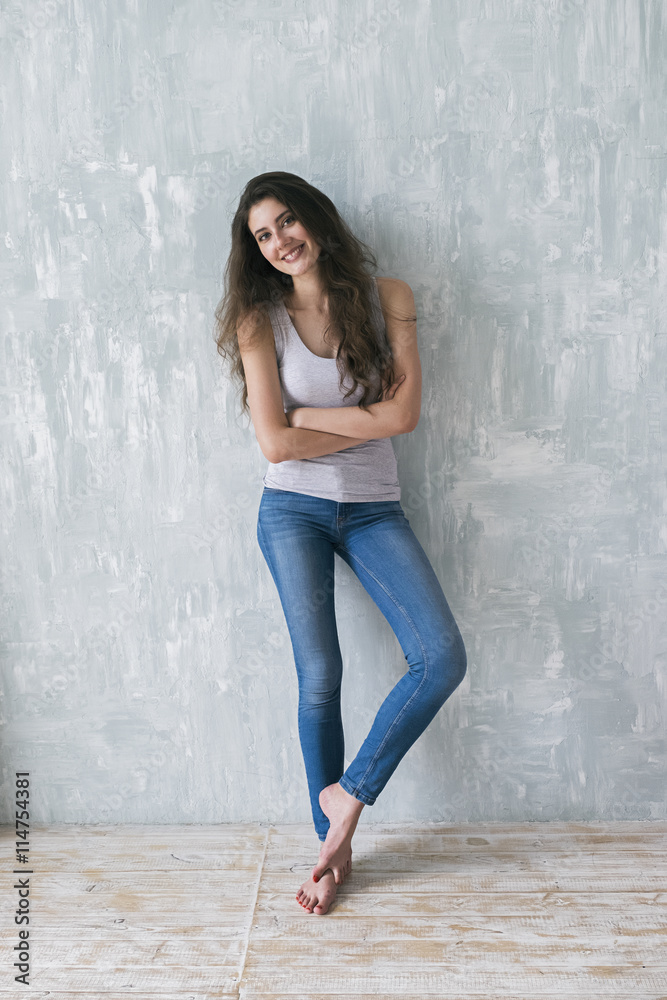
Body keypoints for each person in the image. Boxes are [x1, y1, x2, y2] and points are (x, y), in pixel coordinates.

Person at [215, 171, 467, 915]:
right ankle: (331, 856)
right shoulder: (258, 322)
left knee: (441, 656)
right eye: (263, 235)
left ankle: (345, 798)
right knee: (319, 676)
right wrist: (367, 420)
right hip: (290, 511)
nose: (280, 241)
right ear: (255, 251)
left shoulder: (388, 298)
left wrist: (310, 421)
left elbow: (404, 418)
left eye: (287, 221)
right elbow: (273, 442)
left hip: (372, 510)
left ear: (314, 220)